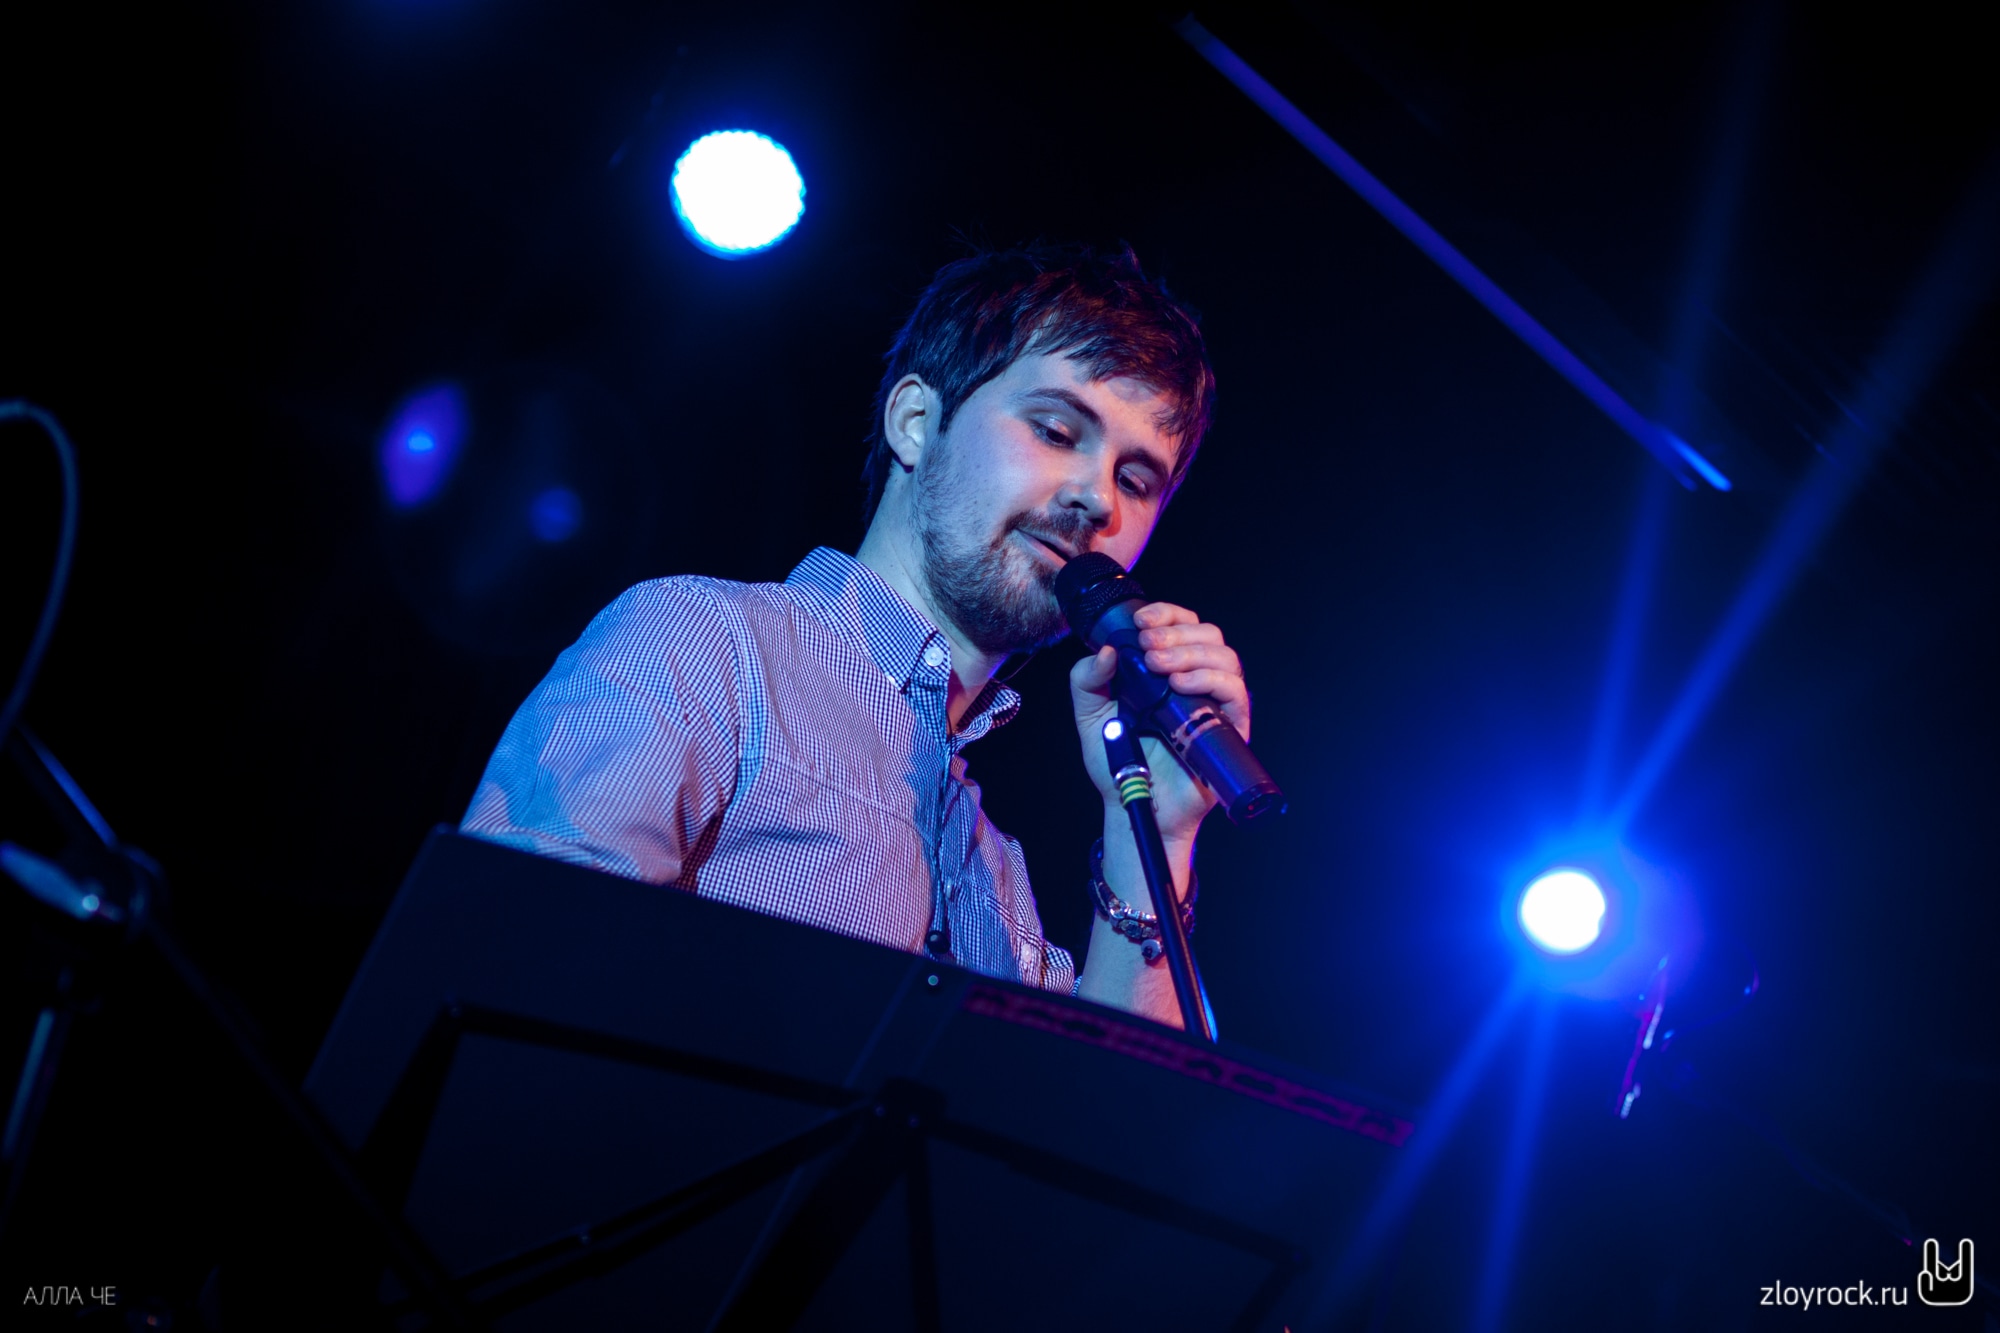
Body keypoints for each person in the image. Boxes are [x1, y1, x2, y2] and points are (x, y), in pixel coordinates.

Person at [462, 244, 1249, 1027]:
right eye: (1055, 430)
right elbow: (496, 964)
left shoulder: (999, 878)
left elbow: (1126, 1096)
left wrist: (1155, 833)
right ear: (916, 422)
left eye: (1135, 481)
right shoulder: (707, 644)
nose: (1097, 499)